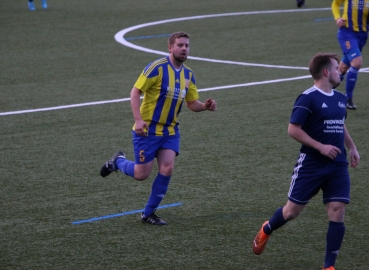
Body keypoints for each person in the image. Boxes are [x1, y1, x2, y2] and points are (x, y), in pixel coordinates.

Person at [252, 53, 360, 270]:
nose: (341, 72)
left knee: (338, 209)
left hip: (337, 164)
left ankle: (329, 266)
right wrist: (320, 146)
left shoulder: (339, 98)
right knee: (291, 212)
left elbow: (340, 123)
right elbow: (293, 129)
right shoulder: (308, 98)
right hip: (311, 165)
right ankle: (267, 228)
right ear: (326, 72)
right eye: (337, 69)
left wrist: (352, 146)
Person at [100, 31, 217, 225]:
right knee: (141, 174)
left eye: (187, 45)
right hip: (147, 130)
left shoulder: (188, 75)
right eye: (180, 45)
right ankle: (118, 162)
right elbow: (135, 91)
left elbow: (191, 103)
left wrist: (204, 106)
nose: (184, 48)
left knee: (167, 167)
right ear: (170, 48)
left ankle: (148, 214)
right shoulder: (157, 68)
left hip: (170, 131)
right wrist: (138, 120)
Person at [332, 0, 369, 109]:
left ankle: (323, 91)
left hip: (362, 36)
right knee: (357, 62)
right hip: (347, 33)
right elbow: (335, 3)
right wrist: (338, 18)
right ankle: (348, 99)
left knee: (342, 68)